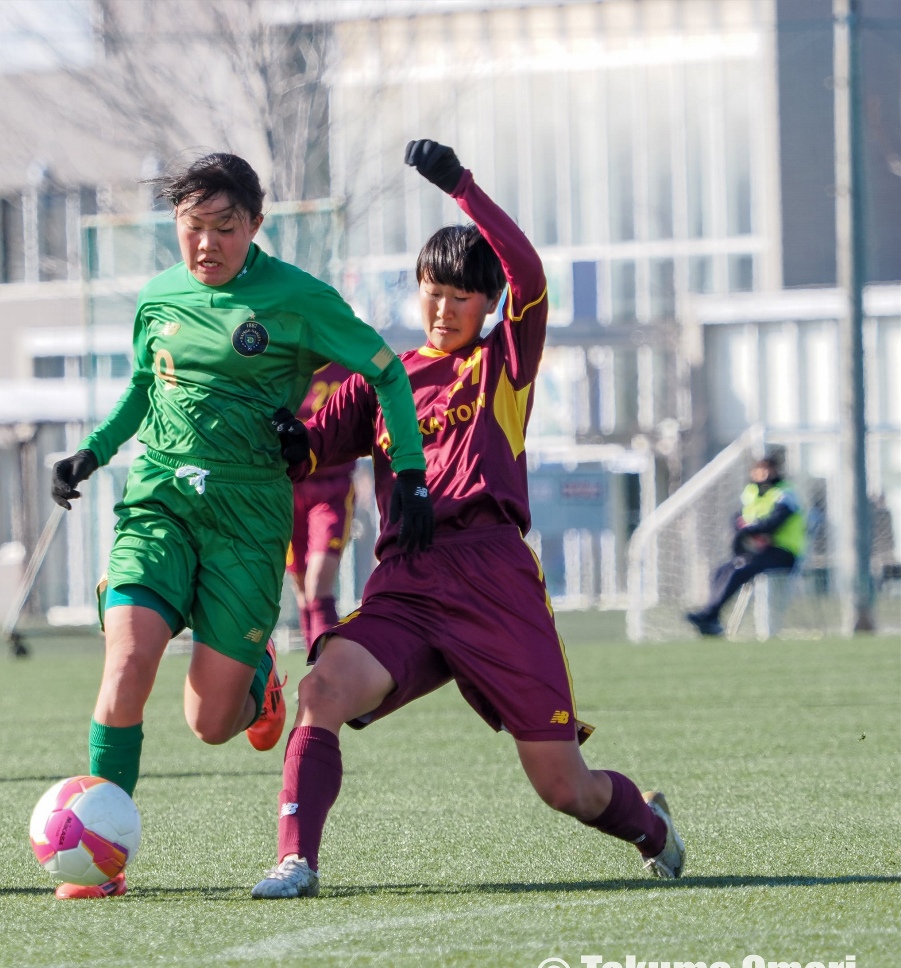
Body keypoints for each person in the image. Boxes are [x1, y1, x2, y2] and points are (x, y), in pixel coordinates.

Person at [250, 140, 685, 899]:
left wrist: (462, 187)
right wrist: (286, 434)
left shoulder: (502, 364)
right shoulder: (383, 377)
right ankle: (297, 861)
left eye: (459, 296)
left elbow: (531, 276)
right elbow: (308, 453)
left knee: (563, 787)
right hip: (409, 585)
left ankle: (650, 826)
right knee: (321, 691)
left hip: (494, 581)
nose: (442, 309)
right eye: (430, 291)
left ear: (486, 307)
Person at [50, 152, 431, 898]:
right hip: (158, 501)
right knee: (127, 663)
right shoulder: (158, 297)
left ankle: (257, 684)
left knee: (211, 723)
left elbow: (386, 370)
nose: (206, 245)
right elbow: (141, 387)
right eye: (192, 227)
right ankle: (102, 859)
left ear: (256, 226)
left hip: (250, 521)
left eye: (225, 228)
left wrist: (411, 473)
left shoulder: (297, 299)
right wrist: (92, 453)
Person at [686, 455, 805, 637]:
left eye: (767, 469)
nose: (762, 474)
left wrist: (751, 532)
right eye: (759, 469)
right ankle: (711, 618)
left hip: (784, 552)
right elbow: (739, 518)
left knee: (741, 569)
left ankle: (709, 615)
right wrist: (744, 532)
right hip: (759, 550)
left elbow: (775, 521)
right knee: (724, 569)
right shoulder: (752, 493)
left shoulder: (784, 493)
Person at [287, 363, 357, 651]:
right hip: (287, 490)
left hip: (332, 490)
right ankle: (315, 673)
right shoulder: (285, 360)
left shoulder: (350, 361)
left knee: (318, 589)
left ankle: (327, 673)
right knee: (303, 592)